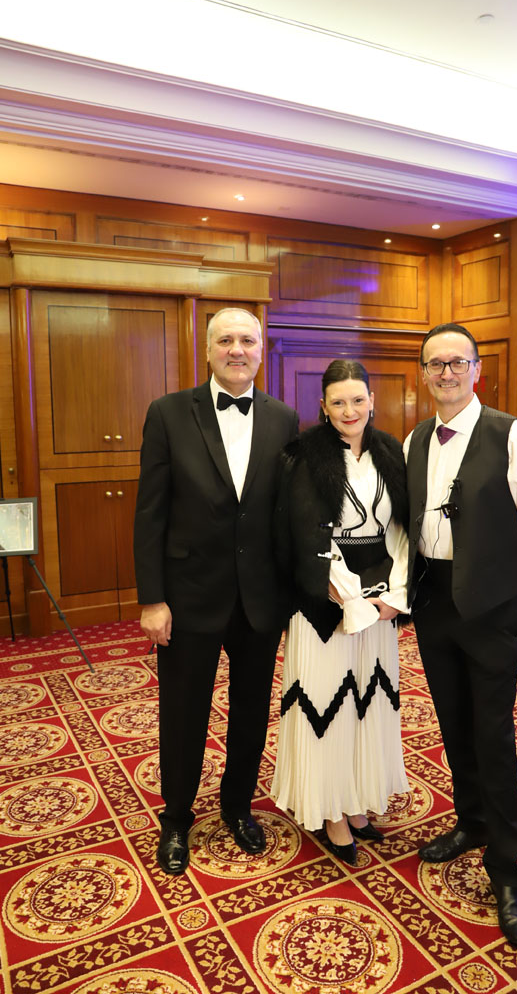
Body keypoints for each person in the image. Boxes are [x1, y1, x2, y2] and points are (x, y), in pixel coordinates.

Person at [405, 323, 517, 946]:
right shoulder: (416, 439)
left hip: (491, 607)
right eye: (435, 364)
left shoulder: (514, 436)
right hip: (433, 602)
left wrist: (516, 591)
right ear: (424, 374)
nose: (445, 373)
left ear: (476, 370)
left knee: (493, 736)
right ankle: (470, 822)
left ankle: (506, 871)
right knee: (453, 724)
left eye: (457, 362)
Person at [134, 307, 298, 874]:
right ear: (207, 351)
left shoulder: (284, 418)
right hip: (188, 595)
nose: (237, 349)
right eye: (225, 340)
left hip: (260, 599)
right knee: (183, 713)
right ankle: (176, 817)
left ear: (261, 350)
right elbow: (150, 513)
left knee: (251, 712)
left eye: (247, 340)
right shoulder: (168, 412)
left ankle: (237, 806)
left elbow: (286, 513)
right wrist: (152, 599)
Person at [272, 359, 410, 865]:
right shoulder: (304, 456)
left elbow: (404, 529)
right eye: (338, 402)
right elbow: (302, 533)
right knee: (327, 703)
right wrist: (347, 597)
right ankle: (330, 810)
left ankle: (356, 802)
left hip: (380, 601)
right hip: (324, 599)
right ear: (323, 407)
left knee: (368, 703)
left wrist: (394, 597)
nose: (349, 410)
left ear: (372, 400)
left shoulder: (391, 451)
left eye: (357, 399)